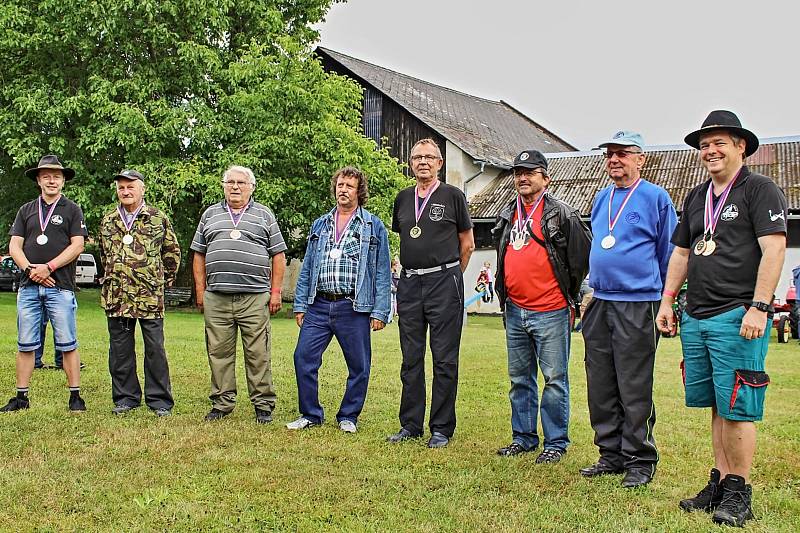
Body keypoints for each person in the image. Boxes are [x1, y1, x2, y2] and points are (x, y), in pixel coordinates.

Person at [656, 110, 786, 527]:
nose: (710, 150)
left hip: (738, 315)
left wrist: (760, 306)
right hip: (696, 315)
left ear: (741, 146)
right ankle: (720, 482)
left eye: (720, 143)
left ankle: (740, 492)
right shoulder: (696, 197)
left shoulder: (760, 189)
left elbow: (774, 250)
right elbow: (681, 253)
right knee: (716, 404)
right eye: (704, 145)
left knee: (739, 408)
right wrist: (667, 301)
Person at [580, 131, 677, 487]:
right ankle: (610, 453)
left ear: (641, 159)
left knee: (633, 383)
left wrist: (668, 299)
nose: (614, 160)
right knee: (600, 381)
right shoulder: (602, 197)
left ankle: (639, 458)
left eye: (622, 154)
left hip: (640, 302)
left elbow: (669, 253)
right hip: (601, 300)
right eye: (609, 154)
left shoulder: (656, 198)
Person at [492, 150, 591, 463]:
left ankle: (555, 443)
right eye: (518, 172)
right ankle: (523, 437)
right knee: (520, 378)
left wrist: (570, 296)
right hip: (515, 309)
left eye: (530, 172)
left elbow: (581, 258)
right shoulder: (509, 213)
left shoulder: (562, 214)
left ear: (545, 178)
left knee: (554, 380)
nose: (523, 177)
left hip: (550, 310)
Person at [288, 167, 391, 433]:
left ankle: (349, 416)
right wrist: (300, 304)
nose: (343, 190)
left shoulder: (372, 225)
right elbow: (308, 265)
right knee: (303, 358)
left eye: (349, 186)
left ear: (360, 192)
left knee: (359, 365)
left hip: (353, 306)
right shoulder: (320, 224)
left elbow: (381, 270)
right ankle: (310, 414)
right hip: (319, 304)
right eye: (340, 185)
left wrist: (380, 311)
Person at [387, 138, 475, 448]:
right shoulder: (402, 198)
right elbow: (407, 239)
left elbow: (468, 244)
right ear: (410, 164)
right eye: (416, 157)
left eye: (429, 157)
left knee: (444, 359)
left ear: (439, 163)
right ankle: (410, 425)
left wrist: (450, 275)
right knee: (411, 358)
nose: (423, 162)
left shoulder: (453, 196)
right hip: (410, 284)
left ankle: (441, 428)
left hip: (444, 282)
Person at [191, 165, 287, 423]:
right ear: (223, 185)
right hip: (216, 296)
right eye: (230, 182)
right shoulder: (210, 214)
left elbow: (278, 256)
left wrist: (275, 291)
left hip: (254, 297)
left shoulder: (264, 215)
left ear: (251, 187)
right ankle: (222, 403)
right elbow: (198, 254)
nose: (235, 187)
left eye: (241, 183)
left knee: (258, 353)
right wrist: (200, 291)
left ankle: (263, 405)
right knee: (218, 352)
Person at [1, 155, 88, 412]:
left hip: (59, 286)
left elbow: (78, 245)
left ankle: (75, 397)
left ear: (63, 181)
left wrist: (49, 267)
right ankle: (21, 397)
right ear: (38, 180)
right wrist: (30, 268)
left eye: (57, 176)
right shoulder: (25, 210)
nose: (52, 180)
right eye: (47, 176)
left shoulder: (72, 209)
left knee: (67, 342)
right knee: (26, 343)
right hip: (28, 286)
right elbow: (14, 245)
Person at [99, 169, 181, 417]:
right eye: (121, 187)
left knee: (155, 349)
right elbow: (104, 255)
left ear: (142, 189)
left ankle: (159, 401)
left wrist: (161, 281)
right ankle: (126, 398)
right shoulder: (108, 220)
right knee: (120, 350)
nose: (125, 191)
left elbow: (171, 253)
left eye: (130, 186)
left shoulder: (157, 218)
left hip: (149, 296)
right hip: (117, 296)